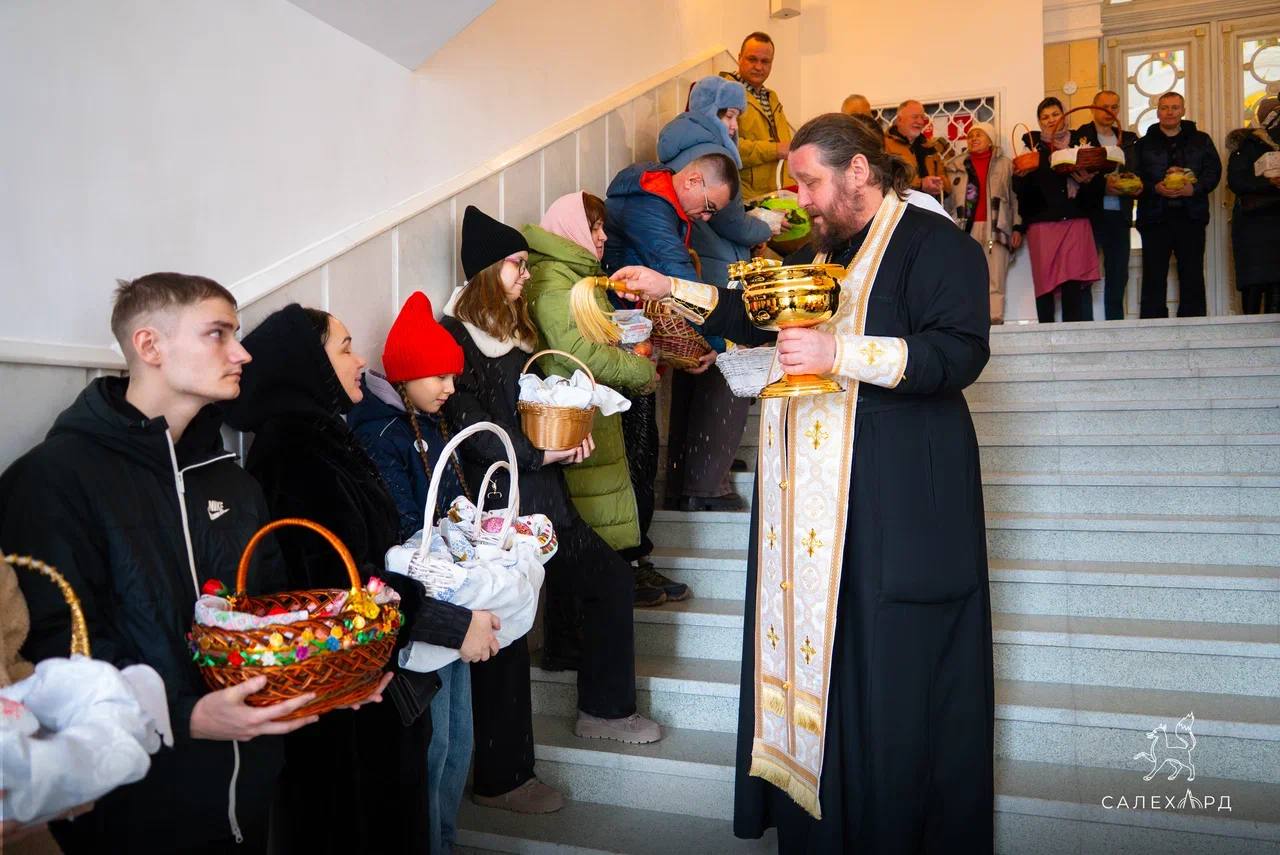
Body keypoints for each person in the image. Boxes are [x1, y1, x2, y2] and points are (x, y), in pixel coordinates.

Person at [610, 112, 994, 853]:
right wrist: (668, 287)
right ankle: (819, 820)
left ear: (859, 171)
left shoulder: (935, 244)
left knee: (884, 668)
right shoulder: (827, 252)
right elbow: (750, 315)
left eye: (812, 182)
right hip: (809, 500)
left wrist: (836, 350)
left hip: (896, 494)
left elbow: (959, 353)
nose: (803, 199)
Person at [0, 273, 320, 852]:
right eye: (218, 333)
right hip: (134, 810)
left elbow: (270, 611)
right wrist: (185, 715)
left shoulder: (233, 481)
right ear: (150, 346)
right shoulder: (52, 479)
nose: (242, 352)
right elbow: (56, 648)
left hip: (250, 792)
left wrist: (331, 671)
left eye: (237, 333)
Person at [224, 303, 491, 854]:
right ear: (307, 363)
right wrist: (449, 622)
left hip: (359, 693)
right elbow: (341, 583)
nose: (360, 358)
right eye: (344, 347)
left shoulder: (322, 438)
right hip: (343, 714)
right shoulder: (296, 453)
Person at [443, 207, 661, 771]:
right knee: (590, 589)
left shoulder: (513, 330)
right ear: (488, 271)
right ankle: (586, 724)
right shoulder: (458, 339)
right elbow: (474, 430)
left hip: (543, 497)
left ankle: (596, 702)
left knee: (605, 581)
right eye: (516, 265)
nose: (524, 274)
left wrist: (564, 434)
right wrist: (542, 451)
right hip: (505, 511)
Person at [348, 291, 474, 855]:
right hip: (422, 603)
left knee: (459, 739)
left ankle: (445, 837)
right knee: (435, 740)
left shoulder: (429, 422)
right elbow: (400, 525)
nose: (449, 386)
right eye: (438, 375)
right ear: (405, 374)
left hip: (453, 591)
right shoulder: (382, 434)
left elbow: (451, 500)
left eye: (452, 375)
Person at [522, 192, 674, 616]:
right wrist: (640, 371)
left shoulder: (575, 275)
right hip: (579, 423)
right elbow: (576, 353)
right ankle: (586, 625)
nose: (603, 236)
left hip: (591, 417)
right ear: (571, 230)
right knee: (594, 532)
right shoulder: (556, 281)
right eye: (594, 227)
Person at [602, 152, 739, 595]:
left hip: (635, 341)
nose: (706, 217)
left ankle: (636, 562)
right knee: (636, 463)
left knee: (642, 461)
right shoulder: (650, 205)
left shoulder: (656, 197)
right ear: (694, 178)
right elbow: (675, 270)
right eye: (709, 207)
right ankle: (632, 567)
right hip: (622, 346)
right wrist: (720, 340)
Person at [658, 76, 773, 514]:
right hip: (721, 270)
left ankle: (686, 476)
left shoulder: (675, 146)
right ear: (709, 110)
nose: (734, 125)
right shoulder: (716, 153)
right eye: (728, 114)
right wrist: (765, 226)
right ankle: (709, 483)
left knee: (698, 372)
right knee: (733, 365)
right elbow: (731, 221)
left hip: (694, 266)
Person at [1133, 91, 1222, 318]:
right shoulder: (1143, 144)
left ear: (1183, 110)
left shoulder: (1201, 140)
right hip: (1154, 217)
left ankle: (1193, 323)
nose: (1170, 112)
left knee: (1191, 271)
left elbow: (1213, 171)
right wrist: (1155, 188)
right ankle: (1153, 326)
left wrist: (1195, 188)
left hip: (1191, 216)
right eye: (1165, 108)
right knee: (1154, 273)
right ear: (1157, 112)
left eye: (1174, 107)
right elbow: (1134, 175)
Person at [1013, 97, 1102, 323]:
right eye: (1045, 117)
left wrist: (1087, 179)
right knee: (1044, 283)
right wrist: (1020, 178)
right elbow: (1020, 191)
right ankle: (1045, 334)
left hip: (1075, 219)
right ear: (1039, 122)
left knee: (1073, 280)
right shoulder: (1033, 146)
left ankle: (1072, 335)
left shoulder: (1081, 144)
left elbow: (1099, 184)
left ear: (1064, 115)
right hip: (1041, 223)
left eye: (1055, 114)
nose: (1051, 120)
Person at [1076, 90, 1141, 319]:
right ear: (1093, 108)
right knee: (1085, 273)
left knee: (1118, 273)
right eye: (1104, 107)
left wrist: (1136, 186)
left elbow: (1137, 171)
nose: (1109, 112)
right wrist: (1102, 187)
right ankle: (1084, 324)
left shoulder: (1129, 138)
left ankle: (1116, 323)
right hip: (1090, 214)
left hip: (1120, 214)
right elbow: (1074, 177)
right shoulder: (1081, 136)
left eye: (1114, 107)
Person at [952, 122, 1022, 323]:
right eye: (971, 135)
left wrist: (1017, 226)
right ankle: (969, 321)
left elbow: (1015, 198)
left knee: (995, 277)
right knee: (966, 276)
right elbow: (948, 200)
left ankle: (994, 319)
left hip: (997, 226)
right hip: (965, 228)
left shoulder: (1006, 165)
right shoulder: (955, 165)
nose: (973, 138)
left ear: (991, 139)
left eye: (979, 134)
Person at [721, 32, 795, 200]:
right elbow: (727, 147)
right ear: (740, 58)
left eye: (765, 61)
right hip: (745, 198)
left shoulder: (771, 96)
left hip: (777, 195)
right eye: (752, 59)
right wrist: (775, 150)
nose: (759, 67)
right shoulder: (725, 93)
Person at [1227, 95, 1280, 314]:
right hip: (1253, 224)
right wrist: (1270, 182)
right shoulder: (1246, 145)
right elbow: (1237, 181)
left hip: (1275, 221)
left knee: (1277, 283)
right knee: (1254, 282)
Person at [884, 100, 947, 198]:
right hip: (899, 208)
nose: (920, 121)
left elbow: (946, 182)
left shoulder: (929, 146)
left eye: (922, 117)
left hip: (928, 208)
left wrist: (940, 184)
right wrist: (921, 184)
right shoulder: (884, 145)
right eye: (915, 117)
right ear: (899, 120)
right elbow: (884, 178)